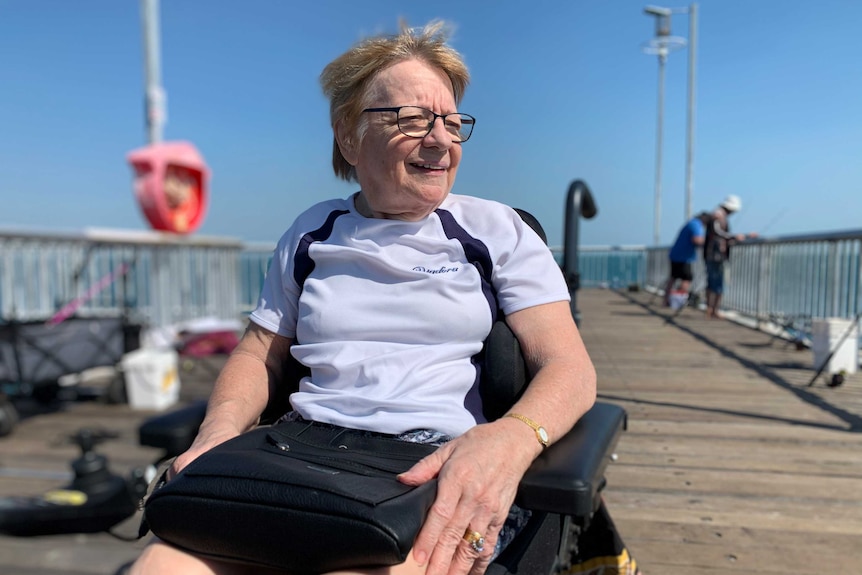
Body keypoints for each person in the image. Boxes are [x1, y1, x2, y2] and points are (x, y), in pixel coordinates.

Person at [129, 20, 596, 575]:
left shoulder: (495, 230)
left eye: (451, 122)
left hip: (429, 461)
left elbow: (568, 365)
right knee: (160, 566)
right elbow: (259, 353)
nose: (441, 140)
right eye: (414, 119)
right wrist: (220, 434)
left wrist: (512, 440)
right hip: (299, 450)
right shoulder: (312, 232)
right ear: (349, 135)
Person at [703, 194, 757, 318]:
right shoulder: (718, 215)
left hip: (712, 254)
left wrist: (744, 236)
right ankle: (713, 310)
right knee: (718, 283)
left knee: (712, 282)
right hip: (715, 255)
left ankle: (710, 309)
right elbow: (719, 233)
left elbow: (722, 235)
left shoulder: (717, 215)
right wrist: (735, 237)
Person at [663, 212, 707, 307]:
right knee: (687, 278)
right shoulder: (696, 224)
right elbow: (696, 239)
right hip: (684, 257)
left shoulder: (691, 223)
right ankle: (679, 302)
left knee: (673, 277)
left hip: (676, 254)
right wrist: (708, 242)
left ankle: (666, 300)